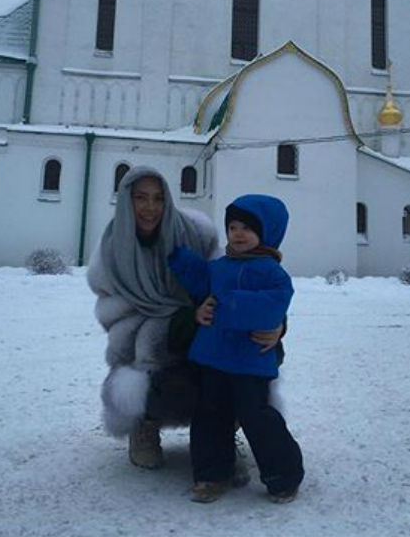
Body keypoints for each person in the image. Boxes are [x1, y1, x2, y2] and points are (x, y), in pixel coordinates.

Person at [87, 167, 282, 471]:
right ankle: (144, 424)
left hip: (209, 332)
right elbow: (119, 318)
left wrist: (277, 326)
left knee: (251, 361)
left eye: (158, 198)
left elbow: (235, 285)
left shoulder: (194, 233)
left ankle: (225, 432)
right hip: (152, 341)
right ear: (126, 200)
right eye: (141, 198)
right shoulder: (112, 251)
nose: (150, 207)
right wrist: (184, 320)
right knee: (150, 370)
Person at [168, 194, 304, 504]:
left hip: (249, 363)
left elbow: (271, 307)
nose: (238, 233)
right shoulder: (221, 266)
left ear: (266, 232)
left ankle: (283, 475)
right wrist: (178, 256)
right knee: (210, 415)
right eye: (232, 227)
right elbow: (201, 278)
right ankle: (212, 474)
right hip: (214, 359)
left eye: (247, 227)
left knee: (257, 417)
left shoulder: (272, 272)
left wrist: (226, 307)